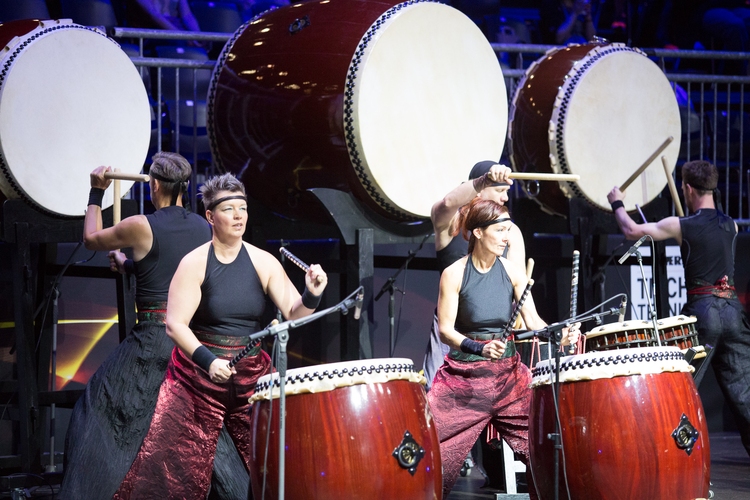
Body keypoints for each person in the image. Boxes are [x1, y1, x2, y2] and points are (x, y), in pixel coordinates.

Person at [114, 172, 328, 498]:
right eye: (229, 209)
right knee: (169, 470)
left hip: (251, 376)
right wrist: (208, 360)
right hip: (197, 378)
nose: (239, 215)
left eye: (242, 208)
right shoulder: (194, 262)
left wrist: (311, 294)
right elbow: (175, 324)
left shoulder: (263, 261)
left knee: (283, 456)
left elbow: (294, 314)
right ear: (210, 217)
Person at [61, 153, 249, 499]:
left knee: (100, 412)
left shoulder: (140, 225)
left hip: (152, 342)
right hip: (191, 343)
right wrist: (132, 266)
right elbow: (175, 272)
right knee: (202, 429)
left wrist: (95, 192)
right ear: (185, 188)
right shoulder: (201, 227)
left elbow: (90, 238)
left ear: (155, 186)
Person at [427, 198, 580, 498]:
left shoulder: (512, 271)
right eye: (500, 230)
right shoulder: (454, 274)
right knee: (428, 451)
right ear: (478, 232)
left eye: (508, 229)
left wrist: (558, 336)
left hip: (509, 379)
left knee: (545, 449)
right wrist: (477, 347)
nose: (507, 237)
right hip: (463, 380)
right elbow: (445, 330)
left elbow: (533, 320)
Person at [607, 159, 750, 459]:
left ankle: (666, 454)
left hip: (705, 312)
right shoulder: (732, 225)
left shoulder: (681, 225)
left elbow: (632, 230)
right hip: (733, 311)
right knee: (744, 394)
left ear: (686, 188)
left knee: (681, 385)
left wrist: (617, 202)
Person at [424, 161, 524, 390]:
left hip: (492, 334)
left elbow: (518, 286)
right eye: (499, 191)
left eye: (507, 192)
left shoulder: (510, 231)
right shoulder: (450, 223)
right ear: (480, 189)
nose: (505, 198)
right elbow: (448, 202)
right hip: (451, 329)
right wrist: (483, 180)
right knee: (439, 398)